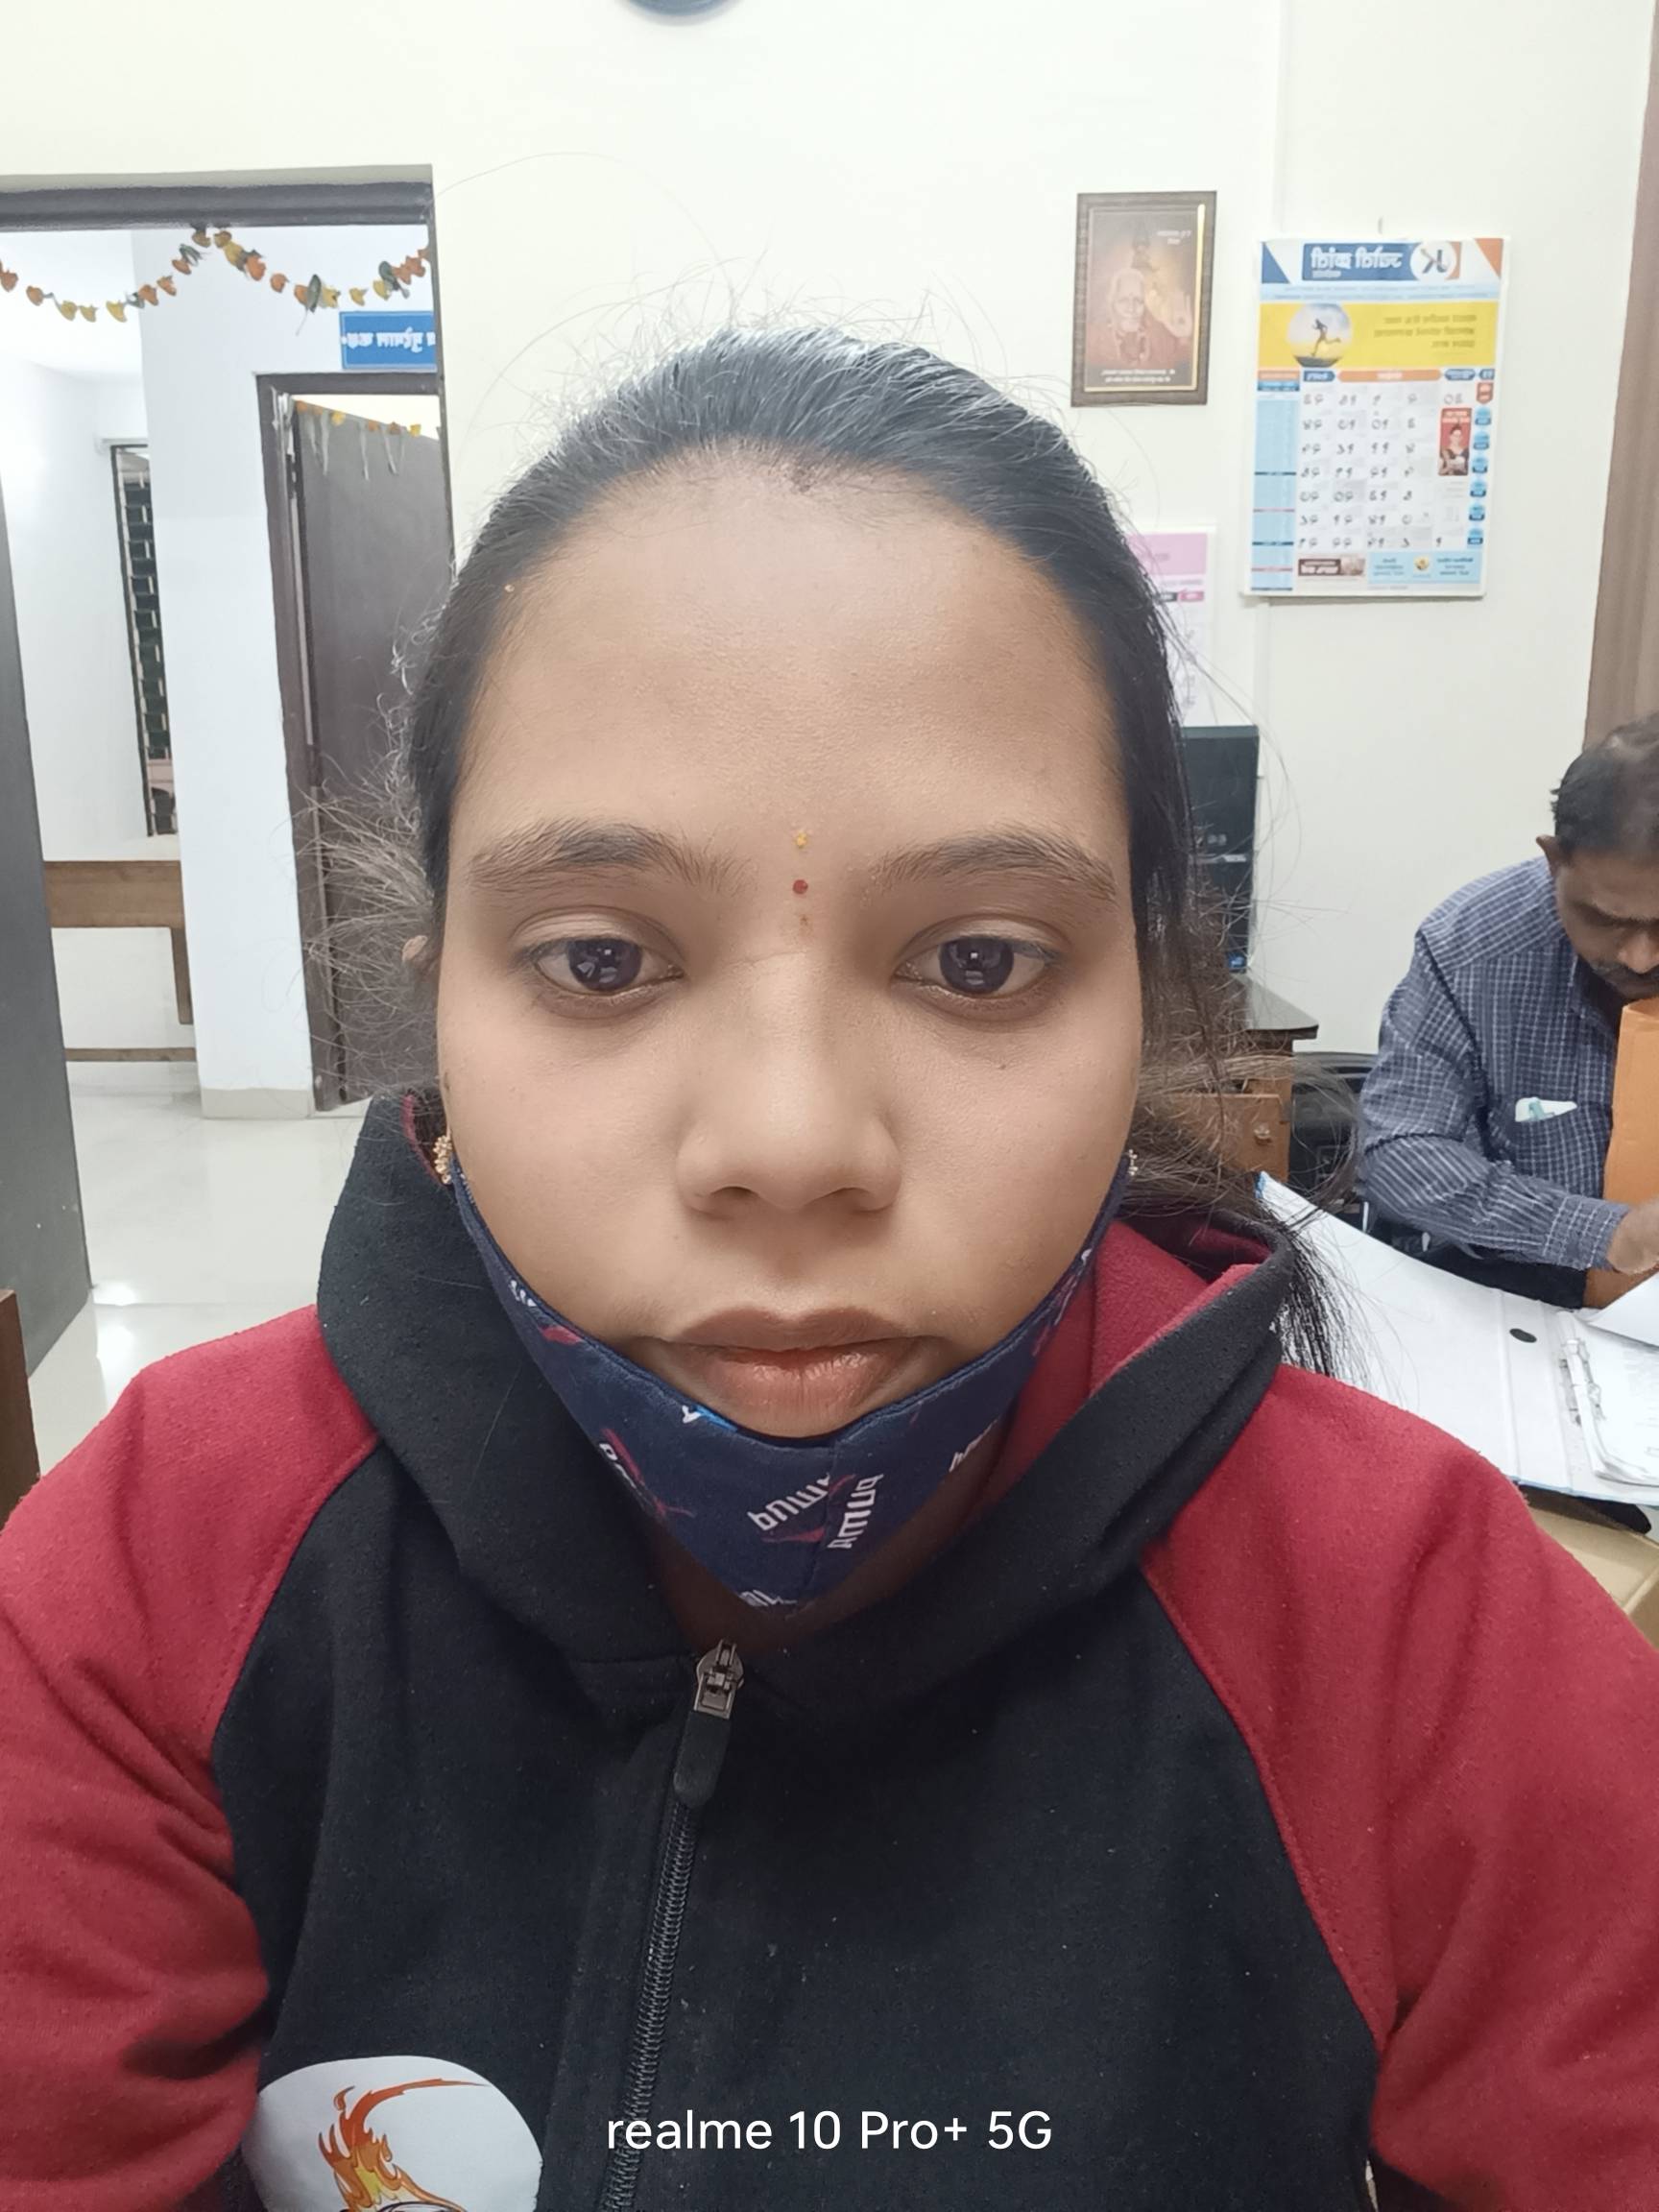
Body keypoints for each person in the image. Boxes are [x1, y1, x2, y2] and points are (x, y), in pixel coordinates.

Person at [3, 329, 1658, 2212]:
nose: (788, 1146)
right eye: (602, 960)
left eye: (977, 962)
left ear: (1143, 1004)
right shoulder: (151, 1579)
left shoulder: (1422, 1630)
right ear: (436, 999)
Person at [1362, 719, 1659, 1305]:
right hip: (1531, 1297)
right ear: (1553, 861)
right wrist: (1605, 1233)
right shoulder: (1472, 946)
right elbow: (1397, 1153)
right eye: (1605, 919)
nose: (1640, 957)